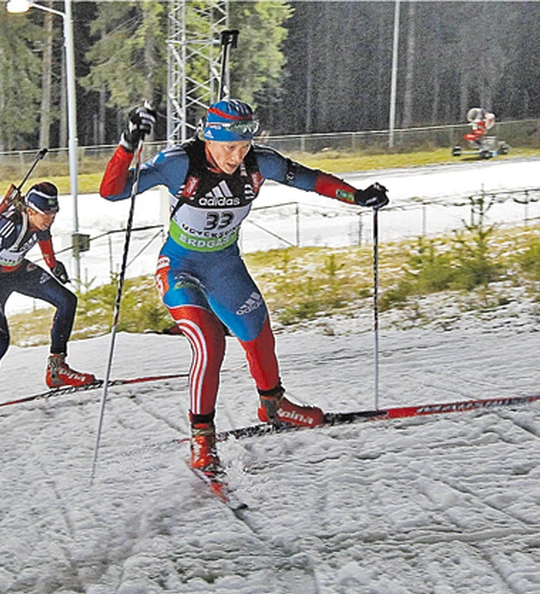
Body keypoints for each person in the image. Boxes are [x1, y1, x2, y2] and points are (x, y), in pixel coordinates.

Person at [99, 99, 389, 477]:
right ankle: (202, 437)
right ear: (209, 138)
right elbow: (112, 192)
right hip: (180, 267)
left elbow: (312, 179)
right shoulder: (179, 164)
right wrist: (127, 145)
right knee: (209, 341)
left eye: (244, 146)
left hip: (225, 266)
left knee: (258, 331)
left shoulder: (258, 163)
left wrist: (358, 196)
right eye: (229, 147)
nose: (237, 156)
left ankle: (274, 405)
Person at [0, 182, 96, 433]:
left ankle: (57, 368)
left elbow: (44, 238)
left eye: (54, 214)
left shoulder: (41, 222)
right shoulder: (8, 228)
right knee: (0, 342)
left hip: (19, 271)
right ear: (30, 210)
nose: (51, 219)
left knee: (67, 301)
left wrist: (53, 265)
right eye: (46, 214)